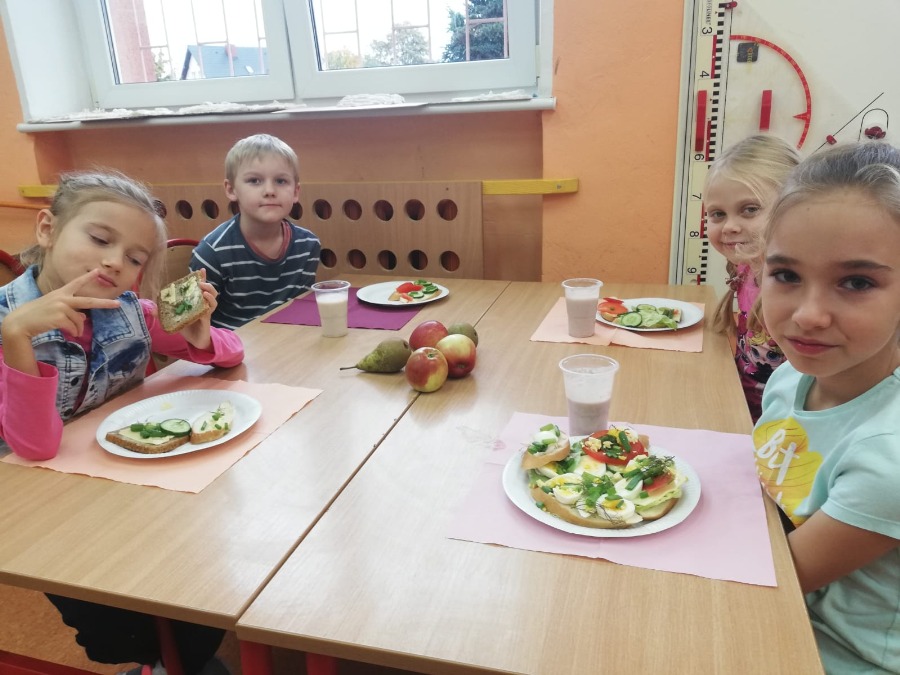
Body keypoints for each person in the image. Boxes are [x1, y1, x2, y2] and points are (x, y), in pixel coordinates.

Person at [0, 170, 243, 673]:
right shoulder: (8, 325)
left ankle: (174, 657)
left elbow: (231, 352)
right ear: (47, 229)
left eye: (135, 258)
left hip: (123, 482)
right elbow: (34, 448)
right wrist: (18, 339)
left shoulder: (134, 311)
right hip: (39, 502)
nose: (115, 262)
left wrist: (200, 334)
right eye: (99, 239)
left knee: (198, 593)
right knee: (118, 626)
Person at [752, 141, 900, 674]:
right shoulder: (792, 376)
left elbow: (769, 582)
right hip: (776, 611)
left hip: (834, 654)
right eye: (787, 275)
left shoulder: (888, 457)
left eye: (857, 282)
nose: (809, 316)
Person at [704, 134, 800, 421]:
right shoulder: (746, 268)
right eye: (717, 214)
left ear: (794, 205)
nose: (730, 226)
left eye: (750, 210)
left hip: (780, 425)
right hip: (739, 408)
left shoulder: (797, 289)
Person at [189, 133, 321, 329]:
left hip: (289, 340)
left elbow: (299, 312)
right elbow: (196, 326)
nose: (270, 191)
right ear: (231, 190)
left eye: (281, 181)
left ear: (295, 192)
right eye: (254, 181)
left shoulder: (308, 245)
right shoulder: (212, 253)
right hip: (232, 345)